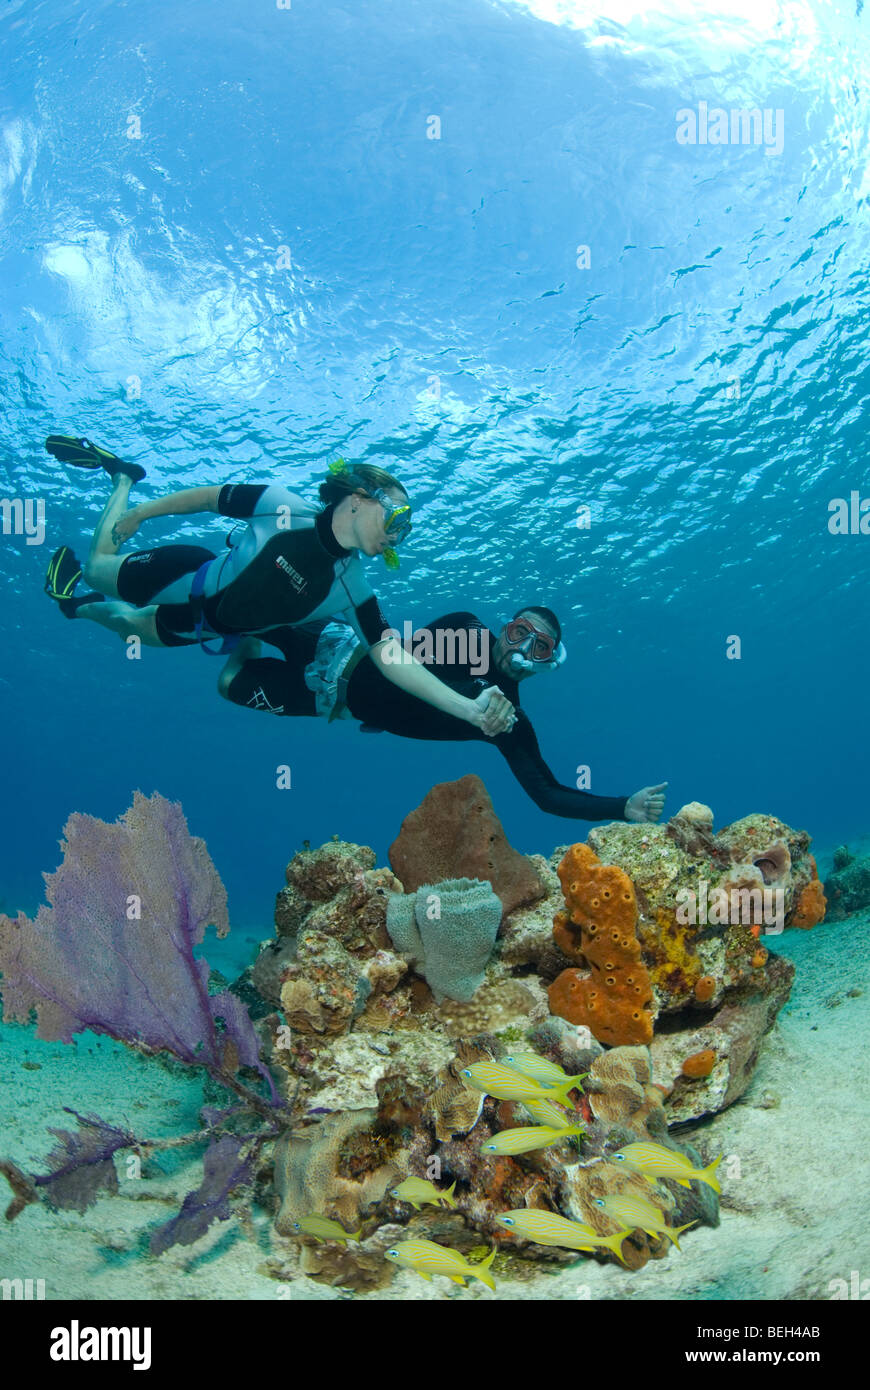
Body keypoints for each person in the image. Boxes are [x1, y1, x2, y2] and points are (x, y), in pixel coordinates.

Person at [42, 435, 513, 738]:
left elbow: (393, 658)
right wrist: (143, 512)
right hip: (191, 576)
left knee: (127, 624)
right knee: (99, 567)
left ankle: (74, 607)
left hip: (209, 627)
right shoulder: (282, 506)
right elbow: (209, 498)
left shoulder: (355, 589)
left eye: (405, 530)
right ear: (359, 497)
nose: (397, 534)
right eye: (397, 518)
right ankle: (123, 477)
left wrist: (470, 710)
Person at [217, 604, 668, 823]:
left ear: (548, 660)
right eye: (518, 631)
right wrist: (476, 697)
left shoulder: (508, 723)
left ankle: (246, 650)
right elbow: (407, 662)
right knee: (231, 610)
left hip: (326, 697)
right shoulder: (466, 630)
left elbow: (546, 793)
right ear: (504, 628)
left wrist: (621, 806)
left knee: (228, 685)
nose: (521, 647)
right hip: (331, 644)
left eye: (540, 645)